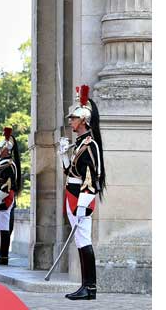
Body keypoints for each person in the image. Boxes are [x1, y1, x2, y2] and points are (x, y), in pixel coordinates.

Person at [58, 84, 106, 301]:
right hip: (72, 194)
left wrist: (83, 204)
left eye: (74, 118)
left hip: (81, 198)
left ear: (84, 120)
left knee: (84, 239)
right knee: (80, 240)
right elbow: (70, 172)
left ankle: (90, 287)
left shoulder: (90, 145)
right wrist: (63, 154)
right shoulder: (79, 144)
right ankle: (85, 286)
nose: (71, 121)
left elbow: (92, 179)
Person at [0, 127, 20, 265]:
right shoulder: (2, 163)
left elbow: (6, 186)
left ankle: (4, 256)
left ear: (7, 150)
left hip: (2, 198)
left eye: (1, 149)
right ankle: (2, 255)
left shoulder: (8, 165)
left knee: (4, 227)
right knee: (2, 227)